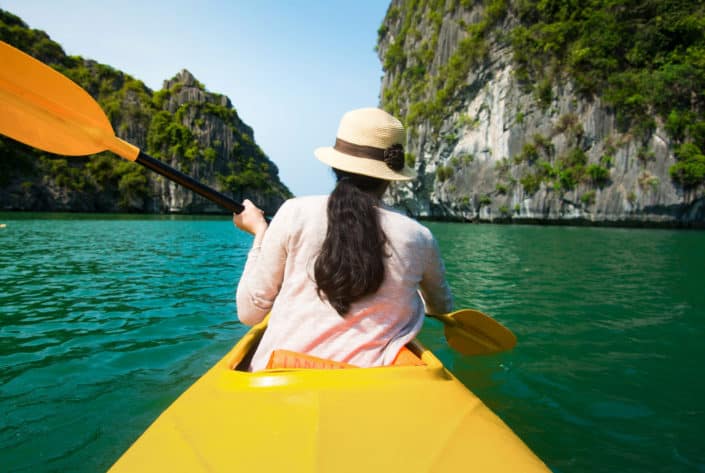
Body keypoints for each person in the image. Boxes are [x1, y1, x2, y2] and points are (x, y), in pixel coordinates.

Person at [233, 107, 452, 371]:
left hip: (283, 375)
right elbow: (440, 307)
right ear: (389, 178)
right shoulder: (419, 237)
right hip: (372, 386)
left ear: (335, 165)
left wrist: (260, 234)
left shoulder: (294, 212)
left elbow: (249, 314)